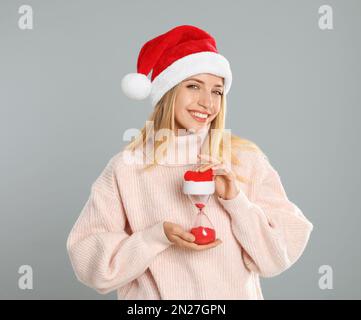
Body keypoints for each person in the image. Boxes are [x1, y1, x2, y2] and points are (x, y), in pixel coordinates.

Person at [66, 25, 313, 300]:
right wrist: (155, 237)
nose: (207, 102)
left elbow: (276, 258)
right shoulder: (127, 168)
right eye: (193, 86)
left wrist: (235, 201)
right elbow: (89, 265)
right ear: (167, 92)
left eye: (217, 91)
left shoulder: (245, 161)